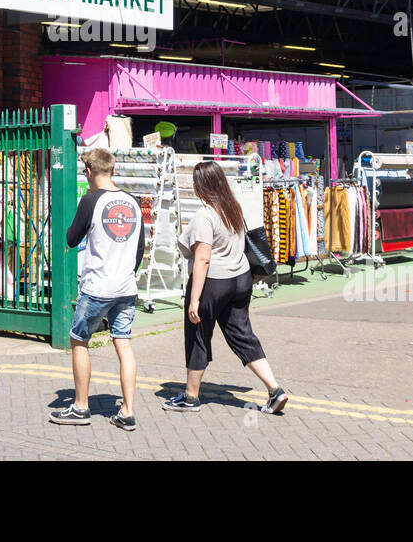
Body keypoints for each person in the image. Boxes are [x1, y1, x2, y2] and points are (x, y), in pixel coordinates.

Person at [165, 160, 288, 415]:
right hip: (241, 279)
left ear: (202, 186)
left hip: (215, 282)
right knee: (243, 335)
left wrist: (194, 299)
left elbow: (203, 259)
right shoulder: (233, 207)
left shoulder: (205, 215)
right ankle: (275, 390)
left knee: (198, 335)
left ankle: (190, 396)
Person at [49, 148, 146, 432]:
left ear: (89, 172)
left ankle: (80, 406)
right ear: (112, 170)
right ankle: (127, 411)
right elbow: (140, 247)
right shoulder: (133, 201)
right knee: (123, 343)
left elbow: (71, 238)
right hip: (127, 287)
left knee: (79, 340)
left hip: (98, 287)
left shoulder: (90, 200)